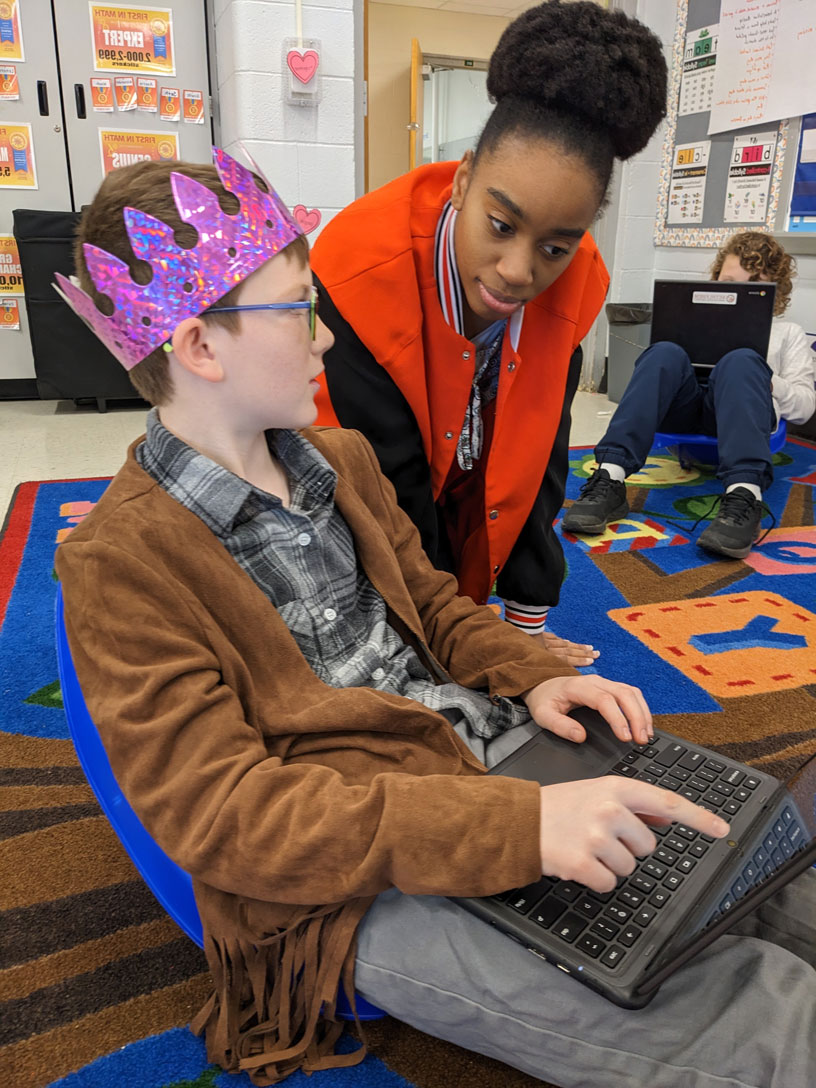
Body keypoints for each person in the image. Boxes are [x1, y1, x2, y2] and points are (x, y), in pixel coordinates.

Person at [55, 151, 816, 1088]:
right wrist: (518, 828)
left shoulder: (337, 458)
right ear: (201, 346)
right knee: (750, 1022)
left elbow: (442, 615)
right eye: (300, 312)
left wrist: (538, 671)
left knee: (749, 861)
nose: (327, 339)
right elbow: (228, 816)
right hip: (354, 876)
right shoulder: (120, 563)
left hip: (485, 757)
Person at [310, 1, 668, 667]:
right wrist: (461, 647)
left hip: (461, 462)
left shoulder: (578, 278)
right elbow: (389, 489)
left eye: (556, 247)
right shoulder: (361, 267)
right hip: (357, 499)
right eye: (500, 225)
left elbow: (538, 455)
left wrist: (524, 632)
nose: (517, 272)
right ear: (465, 179)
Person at [562, 231, 816, 558]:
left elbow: (805, 407)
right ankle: (610, 478)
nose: (736, 293)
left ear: (773, 292)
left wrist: (770, 381)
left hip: (743, 417)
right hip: (687, 406)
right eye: (728, 282)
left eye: (752, 286)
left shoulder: (788, 334)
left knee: (741, 359)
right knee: (663, 351)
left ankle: (746, 495)